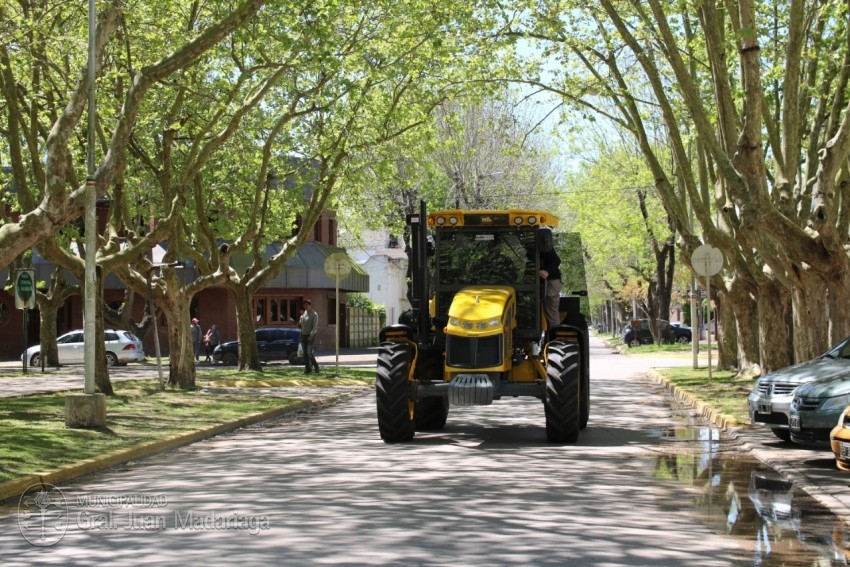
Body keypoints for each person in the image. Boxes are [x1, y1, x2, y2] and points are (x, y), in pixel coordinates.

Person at [539, 245, 562, 330]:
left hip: (550, 282)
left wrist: (547, 271)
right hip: (540, 283)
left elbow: (556, 260)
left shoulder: (543, 244)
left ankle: (555, 337)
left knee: (551, 312)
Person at [298, 300, 320, 374]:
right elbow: (302, 326)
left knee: (309, 352)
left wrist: (311, 336)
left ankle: (316, 367)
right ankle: (308, 370)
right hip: (303, 335)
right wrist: (300, 324)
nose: (306, 306)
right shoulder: (304, 313)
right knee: (305, 354)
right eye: (305, 305)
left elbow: (315, 327)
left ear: (310, 305)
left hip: (311, 336)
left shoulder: (314, 314)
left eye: (307, 305)